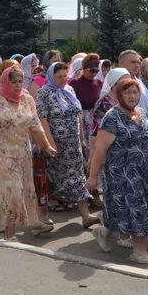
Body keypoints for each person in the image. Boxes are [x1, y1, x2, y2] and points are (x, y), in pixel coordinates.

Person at [88, 73, 148, 265]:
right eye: (127, 92)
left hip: (142, 172)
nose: (132, 96)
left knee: (124, 211)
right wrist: (93, 177)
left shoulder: (141, 114)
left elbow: (146, 143)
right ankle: (139, 251)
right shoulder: (112, 118)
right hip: (120, 174)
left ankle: (103, 231)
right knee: (136, 210)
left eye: (135, 92)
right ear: (119, 95)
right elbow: (100, 149)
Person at [0, 61, 57, 239]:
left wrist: (46, 146)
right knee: (12, 189)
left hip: (23, 150)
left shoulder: (28, 100)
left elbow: (36, 126)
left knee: (26, 188)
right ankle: (9, 232)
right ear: (5, 81)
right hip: (1, 151)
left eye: (20, 81)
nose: (18, 85)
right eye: (14, 81)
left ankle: (33, 222)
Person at [37, 61, 98, 228]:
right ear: (51, 76)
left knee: (77, 177)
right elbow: (42, 119)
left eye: (65, 75)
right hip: (56, 145)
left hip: (73, 145)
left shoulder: (69, 90)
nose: (63, 79)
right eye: (59, 76)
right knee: (52, 181)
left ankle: (86, 215)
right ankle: (42, 217)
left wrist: (81, 140)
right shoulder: (44, 93)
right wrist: (49, 143)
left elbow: (77, 115)